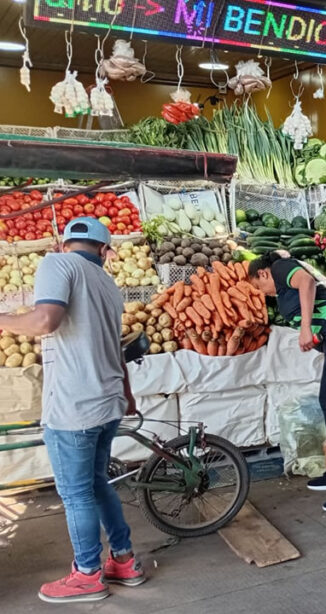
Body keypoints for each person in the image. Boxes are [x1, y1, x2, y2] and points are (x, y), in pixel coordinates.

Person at [0, 218, 145, 603]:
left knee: (77, 493)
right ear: (104, 250)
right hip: (107, 401)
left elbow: (47, 320)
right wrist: (127, 396)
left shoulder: (56, 264)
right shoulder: (109, 285)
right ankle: (124, 561)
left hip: (75, 407)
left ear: (65, 244)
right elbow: (117, 348)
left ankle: (87, 574)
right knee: (96, 484)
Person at [249, 252, 326, 512]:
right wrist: (314, 334)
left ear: (263, 273)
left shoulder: (281, 268)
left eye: (259, 287)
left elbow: (307, 282)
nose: (264, 293)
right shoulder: (283, 275)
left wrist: (306, 328)